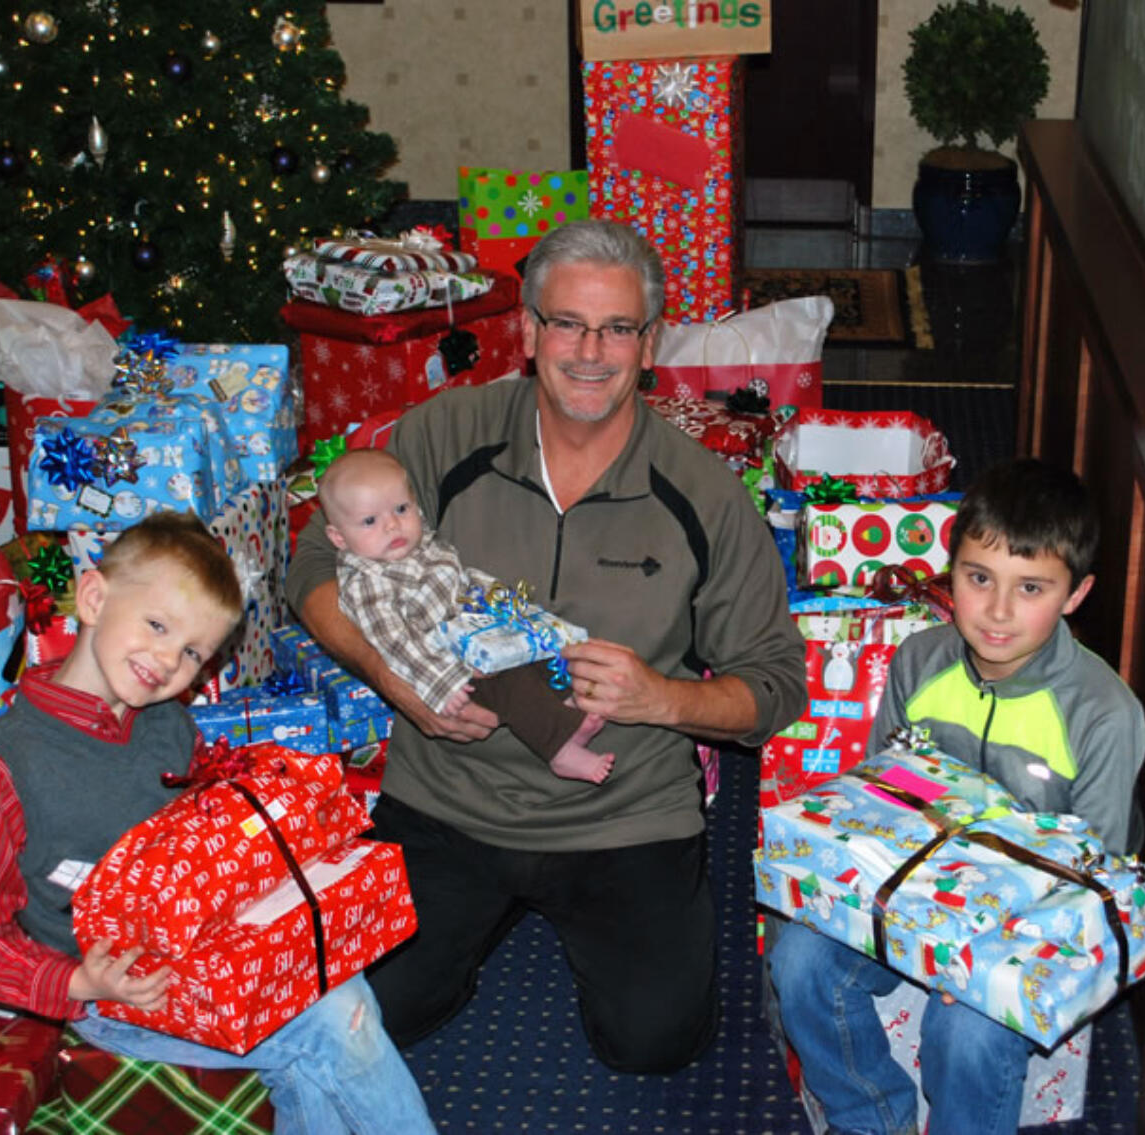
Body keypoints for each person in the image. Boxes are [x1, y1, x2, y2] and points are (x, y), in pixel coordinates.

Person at [286, 219, 807, 1072]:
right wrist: (396, 680)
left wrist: (664, 699)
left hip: (624, 807)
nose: (591, 350)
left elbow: (776, 682)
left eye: (618, 328)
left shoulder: (705, 492)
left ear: (652, 344)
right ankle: (448, 955)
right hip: (448, 796)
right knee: (367, 1011)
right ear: (527, 332)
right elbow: (311, 559)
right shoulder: (444, 436)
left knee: (658, 1040)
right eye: (567, 322)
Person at [0, 511, 436, 1135]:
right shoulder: (1, 765)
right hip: (113, 993)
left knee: (333, 980)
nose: (167, 660)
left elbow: (205, 842)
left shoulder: (167, 723)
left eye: (192, 652)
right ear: (94, 596)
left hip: (208, 948)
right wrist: (77, 979)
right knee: (335, 1018)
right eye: (156, 625)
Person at [770, 457, 1145, 1135]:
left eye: (1030, 587)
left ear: (1075, 593)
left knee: (968, 1025)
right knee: (798, 958)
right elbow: (878, 801)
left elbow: (1092, 881)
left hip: (1035, 924)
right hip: (917, 890)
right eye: (979, 578)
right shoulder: (919, 659)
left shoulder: (1104, 714)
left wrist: (973, 952)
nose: (998, 611)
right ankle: (868, 1115)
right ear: (951, 570)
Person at [319, 448, 615, 784]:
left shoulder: (425, 548)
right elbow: (395, 642)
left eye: (401, 509)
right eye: (370, 521)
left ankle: (567, 705)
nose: (392, 525)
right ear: (339, 538)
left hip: (479, 633)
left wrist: (504, 603)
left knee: (539, 652)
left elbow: (465, 578)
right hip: (448, 664)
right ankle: (560, 748)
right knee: (510, 684)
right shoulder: (369, 584)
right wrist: (442, 681)